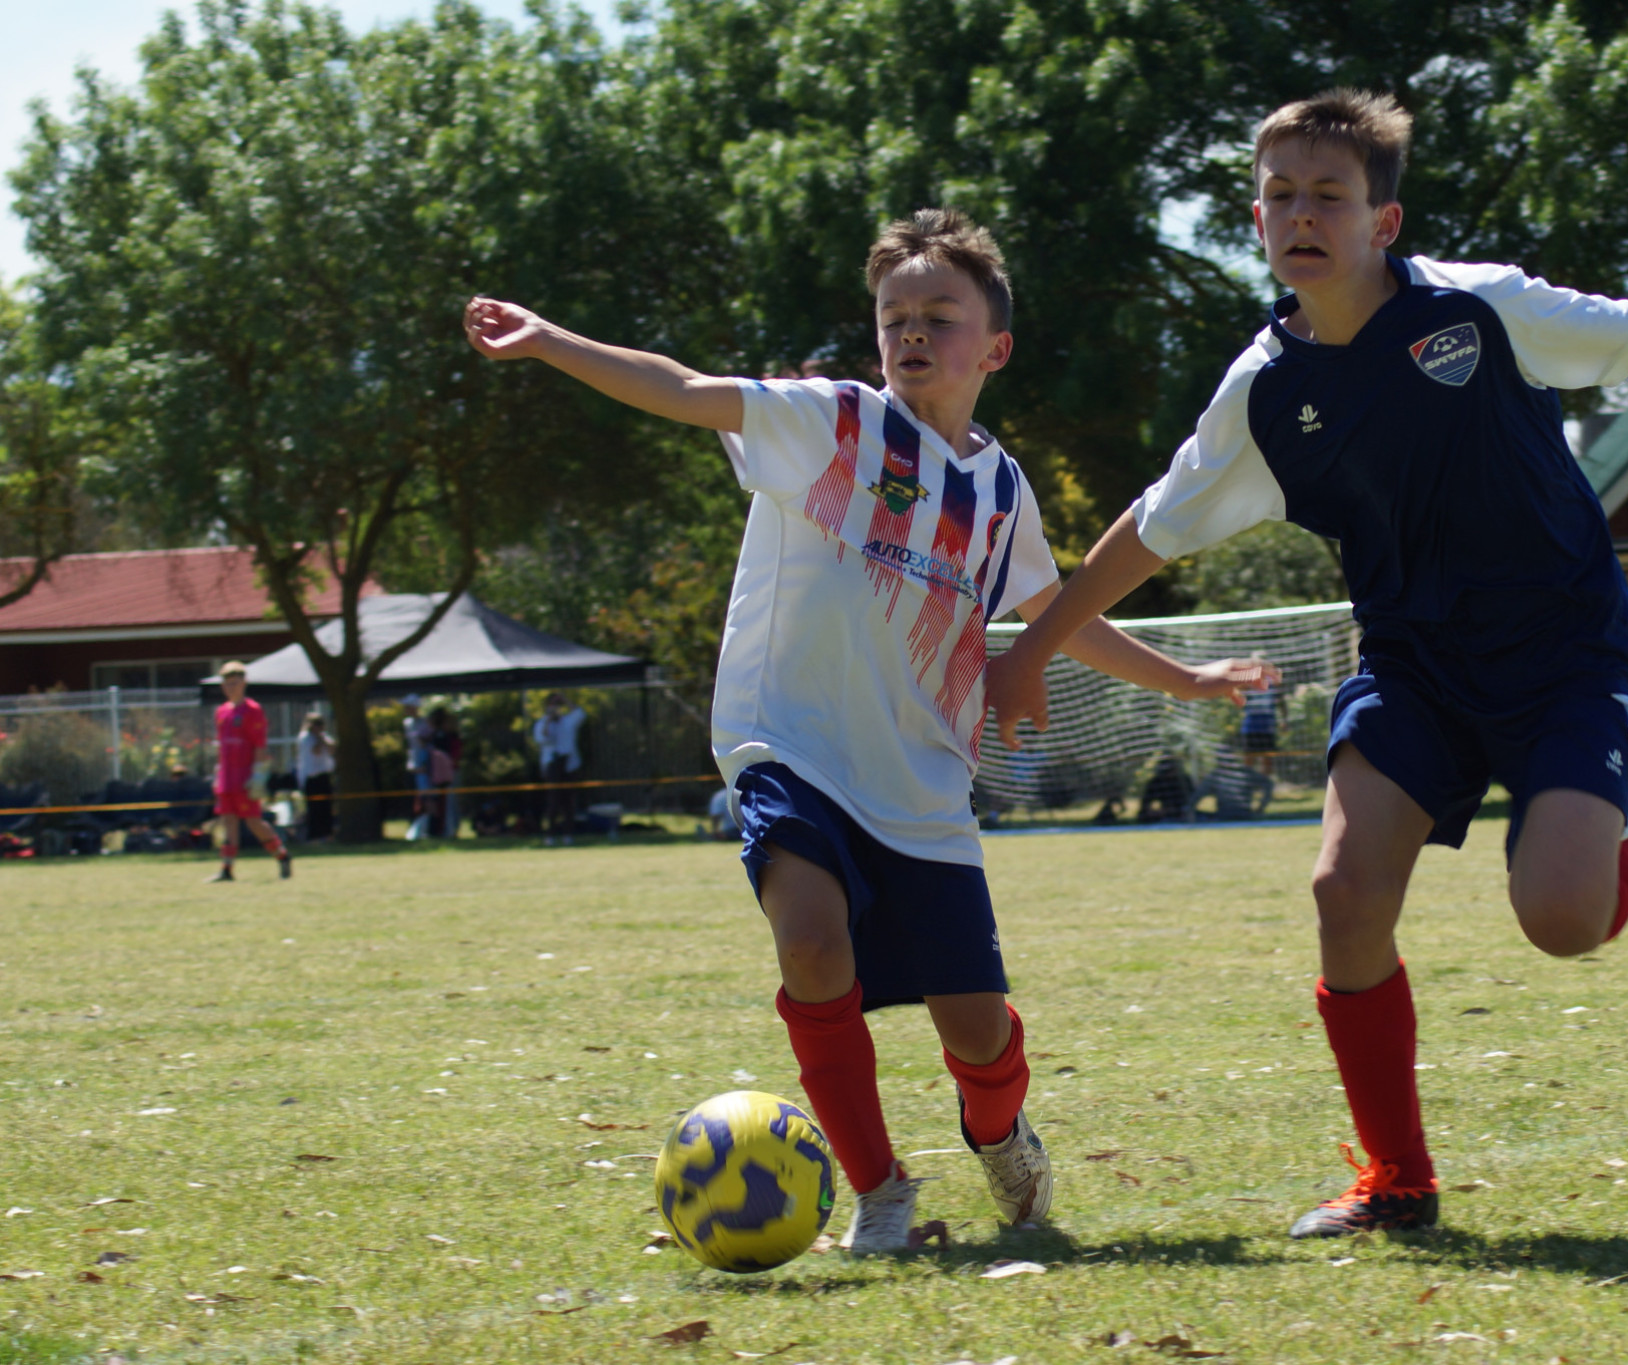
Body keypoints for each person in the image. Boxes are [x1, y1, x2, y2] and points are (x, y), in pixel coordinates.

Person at [985, 88, 1628, 1239]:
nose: (1303, 214)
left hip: (1555, 655)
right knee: (1342, 893)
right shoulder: (1264, 390)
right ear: (1254, 218)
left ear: (1380, 223)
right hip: (1412, 668)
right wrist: (1031, 649)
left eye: (1330, 196)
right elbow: (1151, 527)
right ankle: (1394, 1181)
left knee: (1559, 919)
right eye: (1281, 195)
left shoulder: (1481, 309)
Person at [465, 208, 1276, 1253]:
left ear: (994, 348)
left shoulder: (1000, 490)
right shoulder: (831, 425)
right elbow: (679, 388)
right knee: (809, 942)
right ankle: (878, 1188)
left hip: (922, 785)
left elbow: (1057, 616)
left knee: (975, 1032)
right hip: (787, 746)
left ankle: (998, 1138)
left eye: (939, 315)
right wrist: (550, 341)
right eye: (894, 315)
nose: (911, 333)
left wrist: (1189, 675)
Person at [207, 662, 291, 882]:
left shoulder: (253, 710)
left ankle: (282, 856)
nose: (230, 687)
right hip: (227, 777)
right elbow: (221, 746)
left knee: (253, 821)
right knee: (228, 821)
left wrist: (258, 777)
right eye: (226, 683)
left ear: (244, 683)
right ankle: (227, 869)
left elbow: (260, 746)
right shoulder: (221, 711)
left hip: (245, 777)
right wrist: (218, 773)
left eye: (234, 683)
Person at [531, 693, 587, 846]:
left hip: (570, 764)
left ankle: (568, 834)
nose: (555, 708)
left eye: (557, 706)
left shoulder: (568, 721)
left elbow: (581, 714)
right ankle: (550, 835)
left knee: (569, 802)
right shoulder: (541, 723)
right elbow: (542, 738)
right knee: (553, 802)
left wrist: (565, 700)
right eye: (552, 705)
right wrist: (549, 719)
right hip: (552, 766)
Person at [296, 711, 336, 842]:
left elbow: (333, 749)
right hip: (310, 777)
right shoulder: (305, 738)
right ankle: (314, 836)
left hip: (324, 776)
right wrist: (319, 738)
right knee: (314, 808)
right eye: (315, 724)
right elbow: (316, 751)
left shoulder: (324, 736)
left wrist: (322, 737)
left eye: (320, 724)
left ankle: (328, 834)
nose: (318, 727)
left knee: (326, 807)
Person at [401, 694, 434, 840]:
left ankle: (425, 828)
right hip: (412, 765)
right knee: (412, 799)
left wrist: (424, 764)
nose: (406, 709)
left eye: (408, 706)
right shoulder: (406, 723)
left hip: (423, 766)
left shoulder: (425, 723)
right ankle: (415, 827)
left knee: (426, 798)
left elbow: (427, 745)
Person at [429, 706, 463, 836]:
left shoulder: (450, 737)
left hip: (449, 774)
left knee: (451, 802)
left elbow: (454, 757)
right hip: (440, 775)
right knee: (442, 803)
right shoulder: (437, 736)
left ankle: (451, 830)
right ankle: (444, 829)